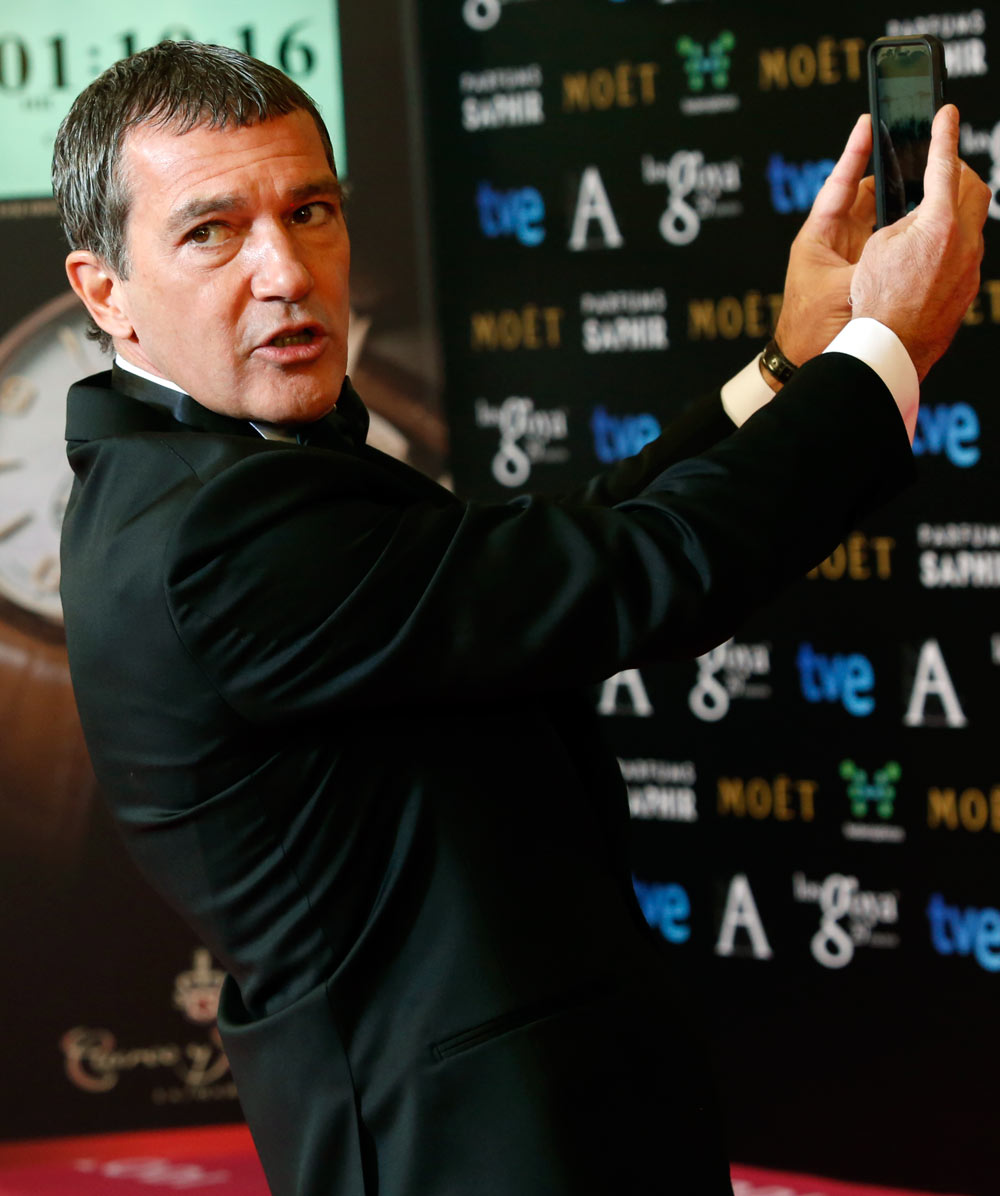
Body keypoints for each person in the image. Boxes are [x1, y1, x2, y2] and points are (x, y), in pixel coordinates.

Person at [53, 40, 988, 1196]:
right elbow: (646, 569)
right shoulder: (216, 530)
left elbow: (551, 555)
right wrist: (889, 346)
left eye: (310, 211)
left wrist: (786, 366)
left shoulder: (193, 475)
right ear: (105, 290)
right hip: (475, 1152)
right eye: (211, 232)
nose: (285, 270)